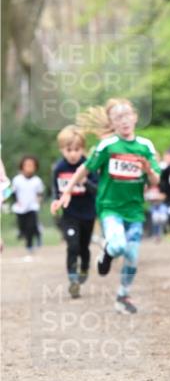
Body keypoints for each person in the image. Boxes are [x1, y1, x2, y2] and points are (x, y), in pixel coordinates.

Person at [52, 98, 161, 315]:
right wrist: (66, 191)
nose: (124, 121)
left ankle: (123, 295)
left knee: (132, 256)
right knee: (118, 245)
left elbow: (156, 181)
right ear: (112, 123)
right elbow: (84, 168)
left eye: (127, 115)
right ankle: (106, 253)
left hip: (135, 210)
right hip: (110, 207)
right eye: (118, 117)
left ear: (135, 117)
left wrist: (148, 170)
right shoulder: (107, 146)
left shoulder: (145, 146)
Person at [50, 125, 97, 298]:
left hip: (88, 213)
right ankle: (73, 280)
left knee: (84, 247)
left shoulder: (89, 166)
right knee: (72, 245)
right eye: (68, 150)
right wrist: (56, 202)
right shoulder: (58, 168)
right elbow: (55, 190)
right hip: (69, 215)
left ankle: (84, 267)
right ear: (62, 149)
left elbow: (98, 190)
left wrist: (85, 181)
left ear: (82, 149)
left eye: (76, 150)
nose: (72, 154)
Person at [11, 155, 44, 254]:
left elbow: (40, 193)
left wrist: (38, 201)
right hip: (20, 208)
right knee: (23, 227)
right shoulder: (17, 180)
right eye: (27, 165)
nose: (29, 167)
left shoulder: (37, 181)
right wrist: (16, 201)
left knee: (31, 226)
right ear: (22, 166)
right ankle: (35, 234)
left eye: (31, 165)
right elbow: (13, 192)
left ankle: (29, 246)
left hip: (32, 207)